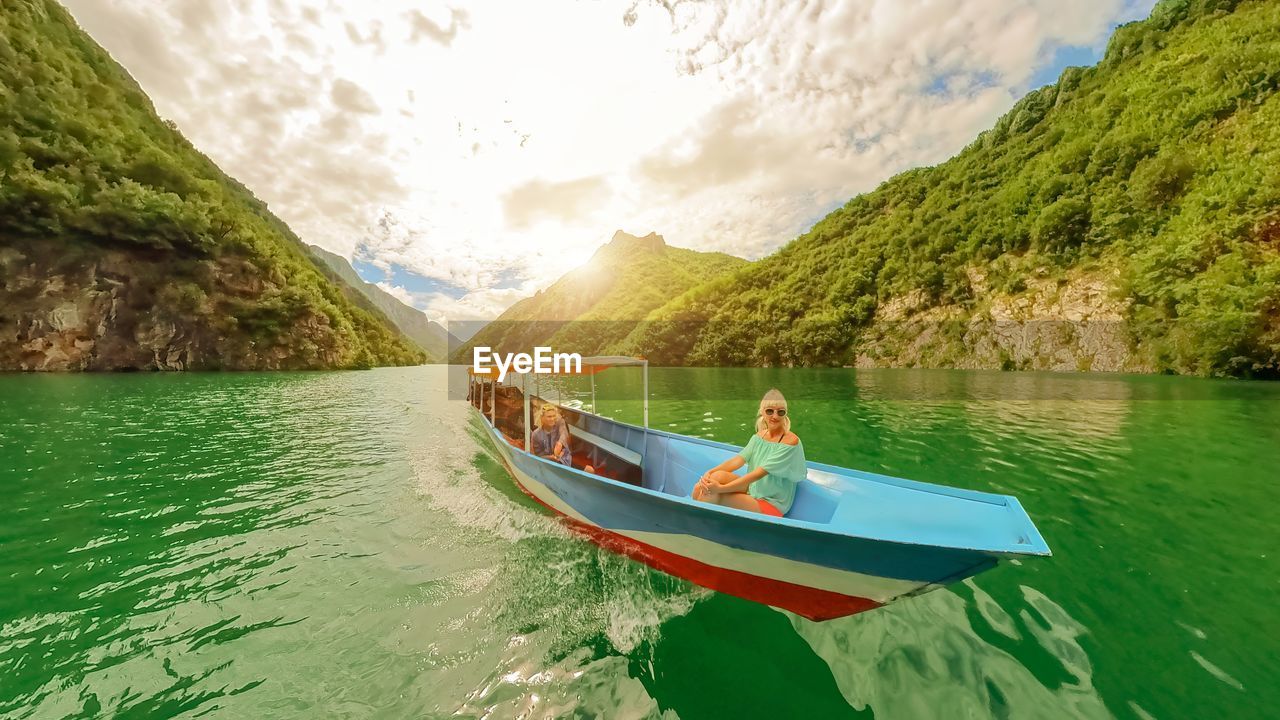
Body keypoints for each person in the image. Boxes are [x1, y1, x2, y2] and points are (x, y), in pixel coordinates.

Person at [692, 388, 805, 516]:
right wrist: (710, 472)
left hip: (772, 502)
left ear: (785, 413)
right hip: (754, 488)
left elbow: (758, 474)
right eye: (770, 411)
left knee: (714, 495)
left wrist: (721, 489)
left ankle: (700, 524)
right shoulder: (759, 436)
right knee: (706, 483)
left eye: (780, 412)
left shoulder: (790, 442)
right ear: (762, 412)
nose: (775, 416)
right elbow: (738, 460)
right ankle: (701, 516)